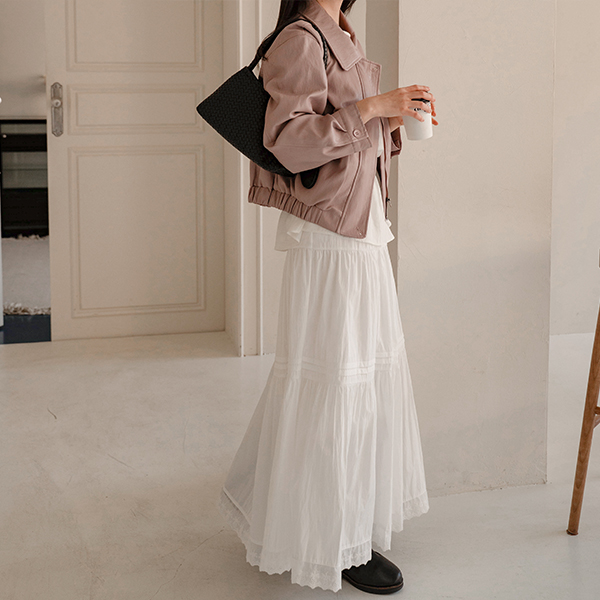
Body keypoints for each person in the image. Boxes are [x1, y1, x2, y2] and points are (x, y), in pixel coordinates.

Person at [217, 0, 438, 594]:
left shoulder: (340, 33)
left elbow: (349, 141)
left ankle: (334, 522)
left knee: (355, 381)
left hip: (360, 230)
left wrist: (394, 120)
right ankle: (336, 541)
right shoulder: (301, 38)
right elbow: (289, 142)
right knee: (336, 381)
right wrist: (374, 107)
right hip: (331, 237)